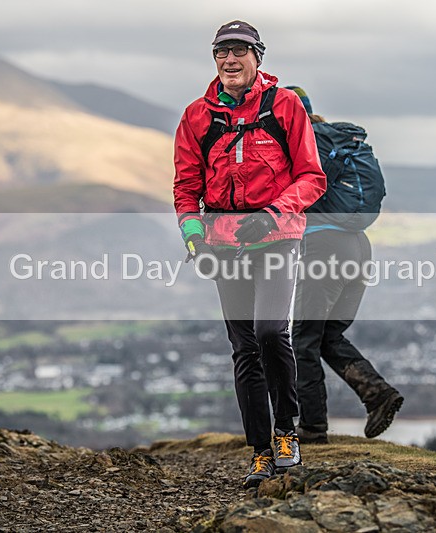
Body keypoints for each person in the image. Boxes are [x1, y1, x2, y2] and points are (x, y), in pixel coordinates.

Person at [173, 22, 326, 487]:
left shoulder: (285, 106)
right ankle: (260, 450)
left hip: (277, 238)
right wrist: (194, 237)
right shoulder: (197, 116)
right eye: (222, 52)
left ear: (258, 57)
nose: (230, 60)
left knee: (269, 331)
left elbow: (311, 177)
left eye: (239, 51)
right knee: (243, 348)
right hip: (224, 244)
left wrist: (274, 213)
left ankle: (287, 432)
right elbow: (186, 187)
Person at [286, 86, 403, 444]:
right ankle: (376, 394)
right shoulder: (336, 141)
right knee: (327, 335)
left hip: (325, 247)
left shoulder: (301, 147)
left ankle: (312, 427)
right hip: (358, 247)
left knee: (304, 339)